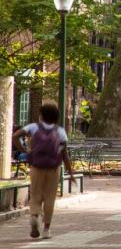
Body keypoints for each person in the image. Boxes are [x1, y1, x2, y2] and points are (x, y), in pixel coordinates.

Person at [12, 102, 76, 240]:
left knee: (35, 195)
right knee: (50, 197)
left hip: (36, 166)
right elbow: (65, 154)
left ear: (41, 115)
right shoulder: (60, 131)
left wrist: (24, 150)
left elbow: (15, 136)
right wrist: (70, 173)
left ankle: (34, 216)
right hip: (53, 168)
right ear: (56, 117)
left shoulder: (33, 127)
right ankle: (46, 229)